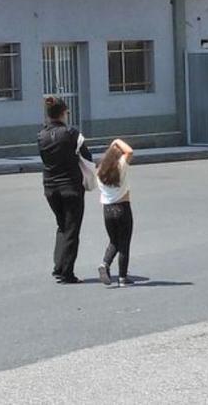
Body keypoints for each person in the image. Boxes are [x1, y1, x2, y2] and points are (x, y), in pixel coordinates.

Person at [37, 96, 93, 284]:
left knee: (62, 226)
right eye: (67, 112)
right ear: (63, 113)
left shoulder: (41, 135)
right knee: (72, 229)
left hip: (50, 188)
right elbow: (87, 156)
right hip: (71, 188)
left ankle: (58, 267)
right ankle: (67, 272)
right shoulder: (71, 133)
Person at [96, 138, 135, 288]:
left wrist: (112, 147)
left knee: (114, 241)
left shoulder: (100, 170)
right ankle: (122, 278)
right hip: (122, 207)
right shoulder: (121, 166)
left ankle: (104, 264)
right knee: (124, 243)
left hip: (107, 210)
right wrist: (117, 141)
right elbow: (129, 151)